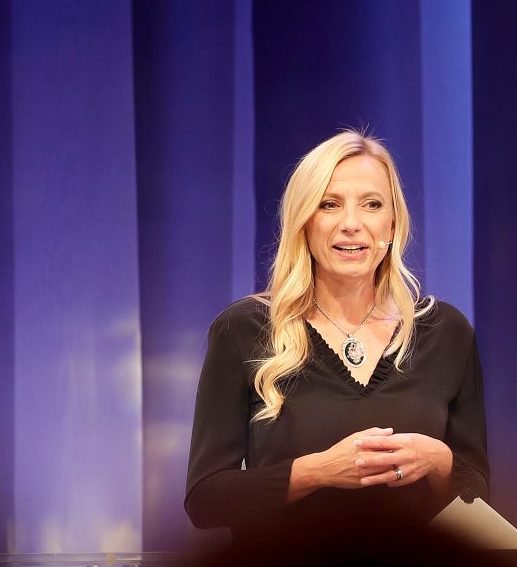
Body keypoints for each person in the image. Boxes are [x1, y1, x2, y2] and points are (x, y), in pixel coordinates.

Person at [185, 130, 488, 536]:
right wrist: (318, 471)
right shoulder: (244, 329)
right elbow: (205, 500)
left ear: (393, 222)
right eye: (330, 205)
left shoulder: (446, 332)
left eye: (372, 205)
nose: (351, 224)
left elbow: (479, 494)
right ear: (304, 222)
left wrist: (439, 461)